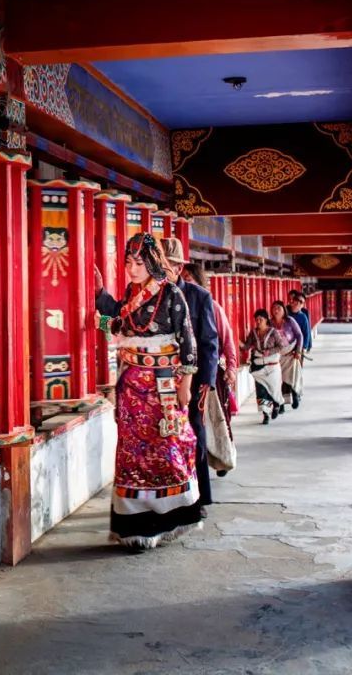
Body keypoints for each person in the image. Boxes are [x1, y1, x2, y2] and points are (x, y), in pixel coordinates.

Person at [93, 233, 203, 549]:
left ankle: (170, 517)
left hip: (163, 386)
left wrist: (186, 383)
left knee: (167, 447)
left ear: (152, 262)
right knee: (132, 451)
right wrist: (100, 292)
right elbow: (120, 316)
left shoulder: (171, 294)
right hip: (131, 386)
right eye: (128, 262)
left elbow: (187, 339)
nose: (132, 268)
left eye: (138, 263)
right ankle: (135, 526)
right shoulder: (132, 292)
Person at [156, 238, 219, 511]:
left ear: (179, 268)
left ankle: (199, 497)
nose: (159, 270)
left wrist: (206, 383)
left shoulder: (198, 296)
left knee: (194, 436)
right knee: (166, 438)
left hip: (191, 382)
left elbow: (209, 343)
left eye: (164, 265)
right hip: (160, 381)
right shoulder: (152, 294)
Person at [183, 263, 236, 477]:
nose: (185, 283)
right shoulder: (175, 305)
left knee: (216, 420)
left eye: (189, 279)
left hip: (209, 375)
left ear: (199, 282)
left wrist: (231, 367)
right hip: (185, 377)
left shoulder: (211, 305)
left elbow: (226, 340)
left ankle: (223, 458)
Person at [242, 309, 287, 424]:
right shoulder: (253, 333)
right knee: (261, 390)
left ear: (266, 320)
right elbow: (247, 346)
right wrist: (236, 341)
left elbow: (281, 346)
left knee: (273, 389)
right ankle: (265, 414)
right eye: (256, 319)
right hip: (259, 367)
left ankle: (277, 404)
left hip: (272, 367)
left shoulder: (273, 332)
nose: (258, 322)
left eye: (260, 319)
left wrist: (269, 352)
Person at [270, 300, 304, 410]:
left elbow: (299, 335)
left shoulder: (290, 321)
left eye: (278, 308)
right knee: (278, 379)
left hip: (291, 353)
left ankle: (295, 393)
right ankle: (281, 404)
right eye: (274, 308)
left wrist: (298, 351)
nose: (276, 310)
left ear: (284, 310)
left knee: (293, 375)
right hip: (277, 355)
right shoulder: (270, 323)